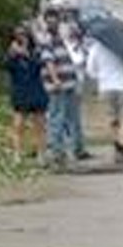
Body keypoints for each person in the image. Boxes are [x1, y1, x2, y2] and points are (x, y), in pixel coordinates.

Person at [36, 10, 87, 166]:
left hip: (69, 84)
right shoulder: (46, 39)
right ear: (46, 22)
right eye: (49, 21)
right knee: (57, 118)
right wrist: (55, 79)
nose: (53, 23)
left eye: (55, 21)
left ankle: (75, 148)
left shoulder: (60, 38)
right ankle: (57, 152)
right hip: (57, 86)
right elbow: (48, 61)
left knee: (71, 117)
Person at [83, 35, 123, 158]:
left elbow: (90, 71)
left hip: (106, 87)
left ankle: (117, 144)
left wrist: (101, 76)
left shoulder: (96, 48)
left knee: (112, 119)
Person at [3, 27, 47, 160]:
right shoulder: (11, 55)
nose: (22, 38)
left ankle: (40, 154)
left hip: (36, 91)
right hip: (20, 93)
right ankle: (17, 154)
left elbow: (40, 65)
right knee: (18, 125)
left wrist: (26, 54)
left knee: (39, 125)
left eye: (24, 35)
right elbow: (6, 66)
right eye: (18, 35)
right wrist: (12, 54)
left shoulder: (36, 52)